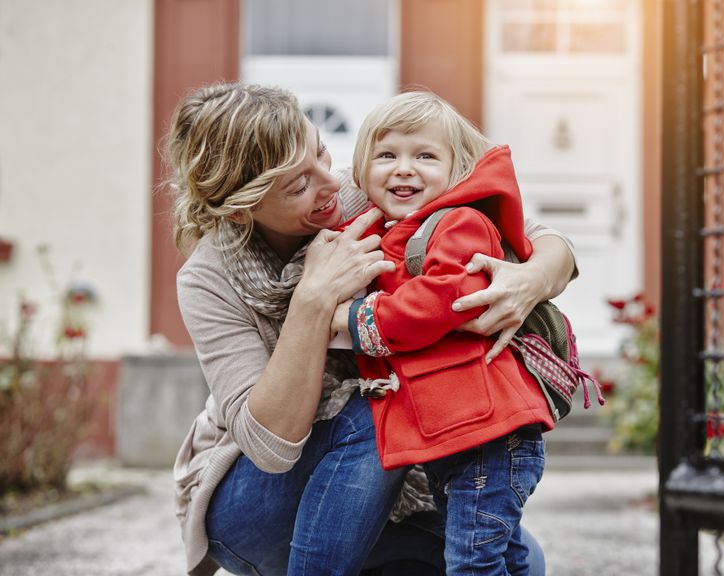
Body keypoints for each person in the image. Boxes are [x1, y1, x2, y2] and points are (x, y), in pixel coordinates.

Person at [166, 82, 579, 576]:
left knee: (522, 562)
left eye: (321, 151)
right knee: (377, 402)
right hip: (256, 510)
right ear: (240, 209)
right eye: (298, 186)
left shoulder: (366, 191)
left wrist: (528, 282)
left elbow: (538, 237)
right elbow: (271, 447)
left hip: (383, 483)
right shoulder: (208, 278)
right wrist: (313, 303)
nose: (329, 185)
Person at [331, 92, 553, 576]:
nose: (404, 169)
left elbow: (444, 297)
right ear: (361, 170)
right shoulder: (390, 230)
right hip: (457, 437)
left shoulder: (459, 222)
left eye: (425, 156)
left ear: (456, 172)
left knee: (472, 564)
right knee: (505, 558)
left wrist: (357, 318)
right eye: (386, 155)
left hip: (488, 439)